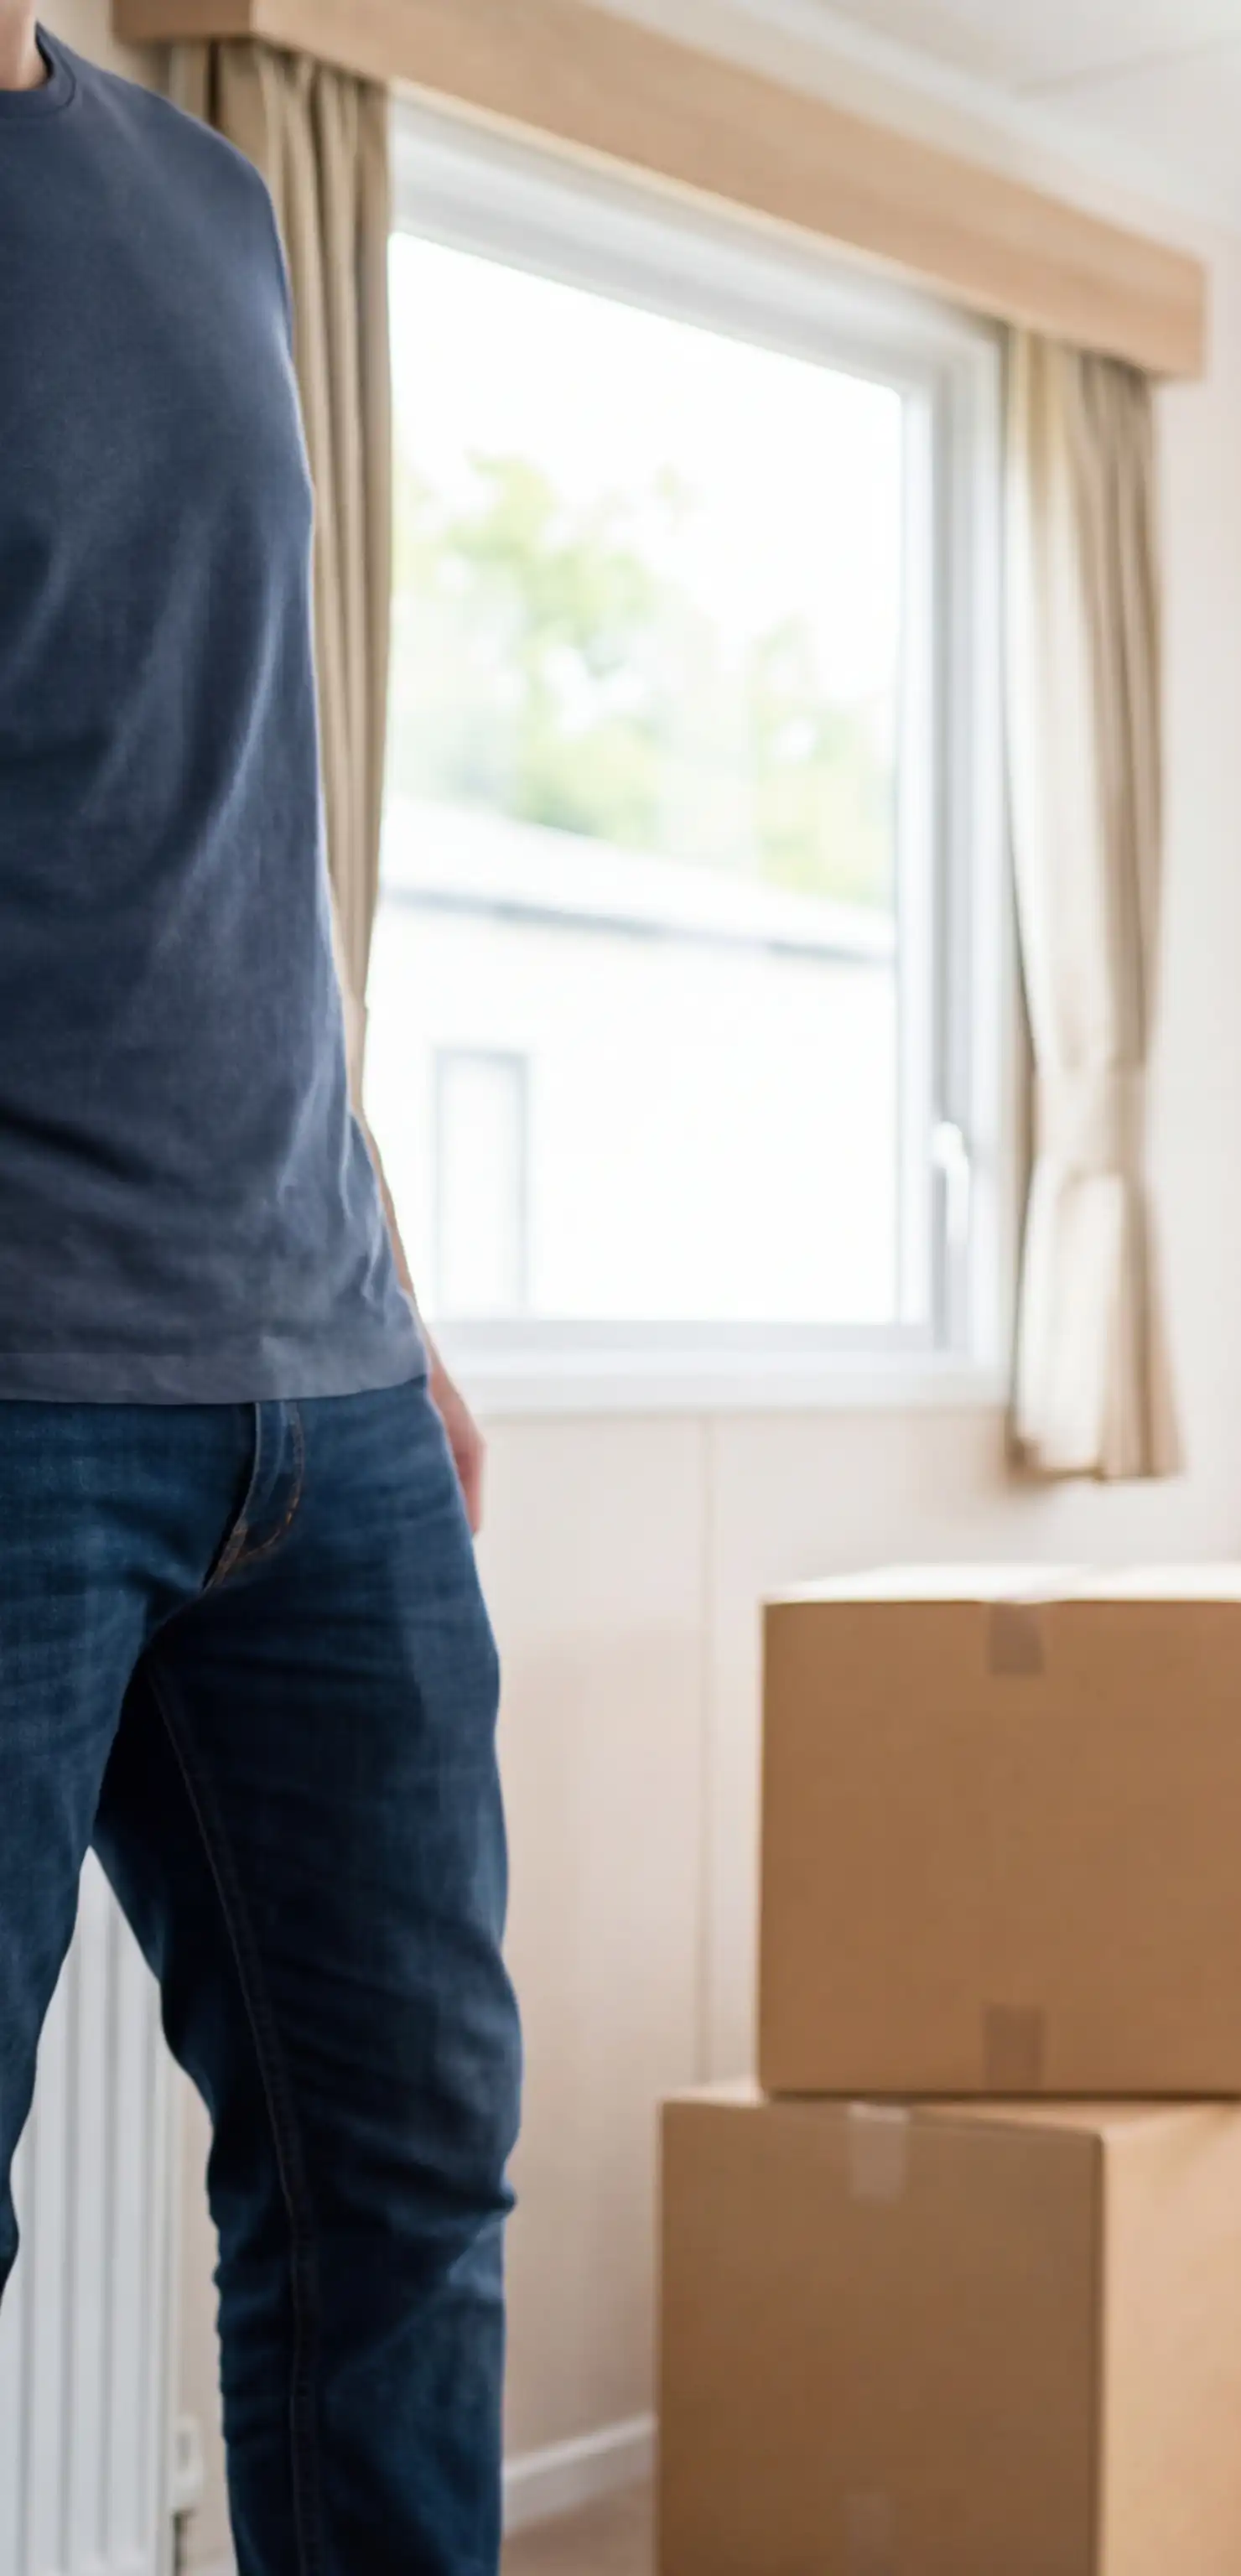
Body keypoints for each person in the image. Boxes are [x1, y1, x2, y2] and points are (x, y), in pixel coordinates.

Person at [0, 12, 522, 2573]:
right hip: (19, 1396)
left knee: (401, 2194)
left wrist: (389, 1279)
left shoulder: (210, 200)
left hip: (321, 1383)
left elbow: (250, 812)